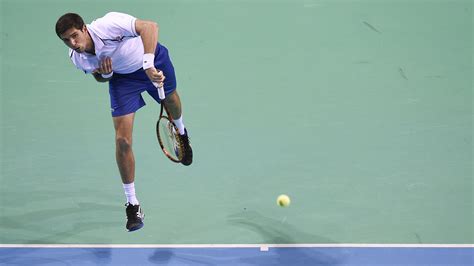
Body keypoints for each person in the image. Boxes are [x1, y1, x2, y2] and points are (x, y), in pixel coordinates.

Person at [55, 12, 193, 232]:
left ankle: (181, 132)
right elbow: (97, 76)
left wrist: (148, 64)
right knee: (122, 141)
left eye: (74, 36)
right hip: (122, 80)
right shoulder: (76, 57)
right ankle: (132, 204)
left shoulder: (109, 24)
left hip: (153, 59)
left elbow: (150, 26)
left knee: (171, 100)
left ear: (84, 28)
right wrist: (106, 75)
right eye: (66, 40)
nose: (73, 43)